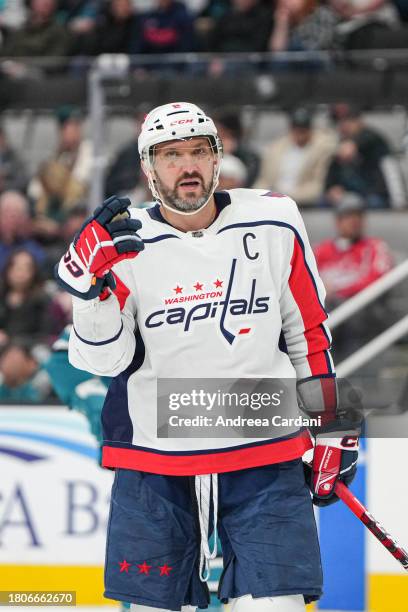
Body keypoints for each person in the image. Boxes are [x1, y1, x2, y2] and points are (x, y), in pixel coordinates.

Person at [56, 102, 360, 612]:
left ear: (219, 157)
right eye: (171, 155)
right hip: (155, 462)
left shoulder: (274, 218)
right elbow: (105, 363)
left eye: (199, 150)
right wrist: (91, 294)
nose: (187, 165)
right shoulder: (123, 243)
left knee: (277, 607)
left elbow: (306, 330)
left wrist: (331, 424)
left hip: (264, 451)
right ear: (148, 168)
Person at [314, 191, 394, 360]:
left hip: (363, 312)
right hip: (328, 311)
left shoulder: (374, 247)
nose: (355, 221)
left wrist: (337, 289)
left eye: (359, 216)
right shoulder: (322, 250)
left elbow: (378, 279)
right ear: (338, 220)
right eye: (348, 216)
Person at [254, 107, 337, 207]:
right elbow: (264, 179)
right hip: (273, 198)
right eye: (296, 130)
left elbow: (317, 187)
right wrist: (257, 195)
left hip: (301, 202)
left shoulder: (321, 148)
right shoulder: (277, 148)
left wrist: (287, 197)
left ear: (310, 129)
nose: (299, 135)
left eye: (303, 130)